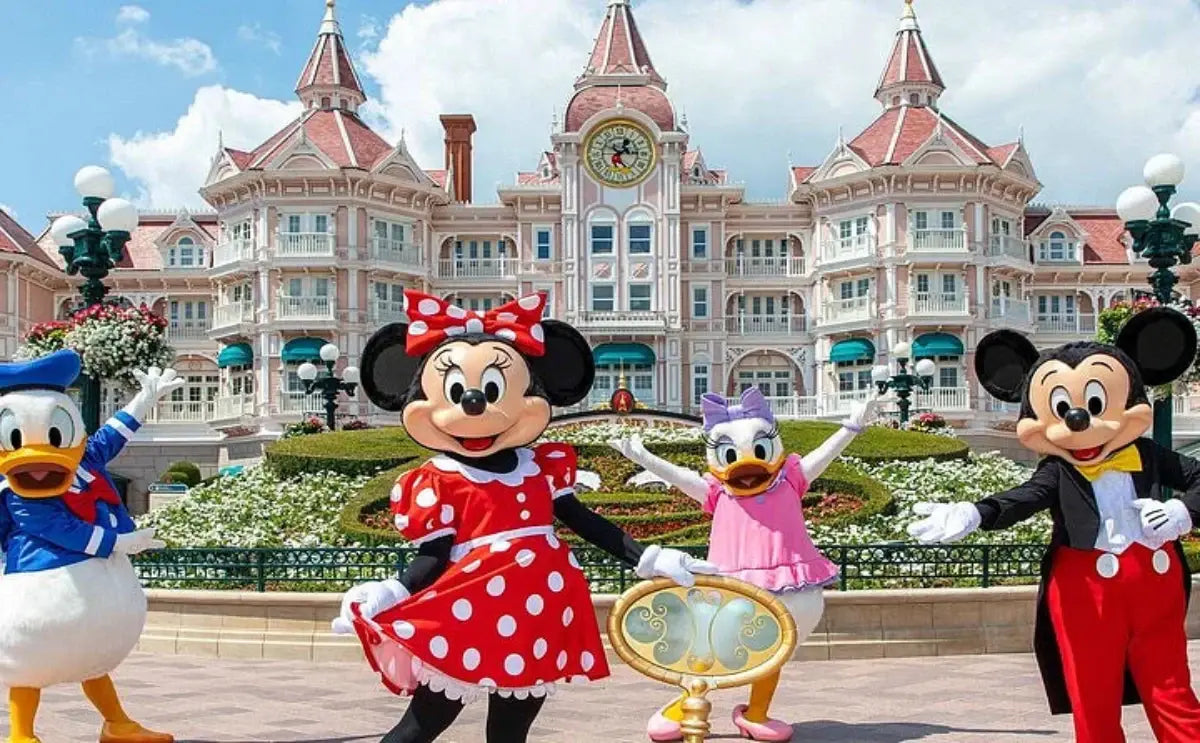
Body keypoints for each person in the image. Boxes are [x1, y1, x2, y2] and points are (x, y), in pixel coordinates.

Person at [332, 290, 716, 743]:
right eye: (457, 393)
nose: (475, 403)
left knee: (511, 731)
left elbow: (585, 522)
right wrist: (392, 590)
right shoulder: (440, 479)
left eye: (493, 391)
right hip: (468, 614)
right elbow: (433, 556)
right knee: (423, 724)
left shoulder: (540, 467)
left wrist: (649, 558)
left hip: (535, 614)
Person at [908, 307, 1200, 743]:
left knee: (1170, 686)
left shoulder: (1149, 455)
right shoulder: (1059, 470)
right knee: (1091, 689)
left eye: (1094, 405)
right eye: (1063, 410)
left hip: (1153, 584)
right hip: (1084, 590)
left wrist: (1183, 512)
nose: (1079, 421)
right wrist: (977, 511)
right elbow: (1025, 497)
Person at [611, 386, 876, 741]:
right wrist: (643, 456)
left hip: (792, 578)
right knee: (715, 649)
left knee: (775, 650)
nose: (746, 468)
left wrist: (852, 426)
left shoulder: (790, 479)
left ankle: (757, 713)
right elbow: (678, 477)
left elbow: (823, 456)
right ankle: (682, 708)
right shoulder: (717, 491)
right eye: (730, 454)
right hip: (733, 587)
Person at [0, 350, 177, 743]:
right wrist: (119, 542)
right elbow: (55, 526)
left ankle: (117, 724)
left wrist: (143, 400)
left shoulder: (85, 459)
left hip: (97, 584)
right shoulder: (15, 488)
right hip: (41, 582)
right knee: (29, 663)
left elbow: (110, 437)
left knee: (93, 659)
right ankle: (21, 734)